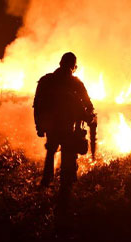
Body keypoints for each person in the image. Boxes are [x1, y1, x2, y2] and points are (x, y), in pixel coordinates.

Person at [33, 52, 95, 190]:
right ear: (74, 66)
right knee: (68, 154)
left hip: (51, 126)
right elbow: (88, 103)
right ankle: (66, 185)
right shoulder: (76, 83)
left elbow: (37, 105)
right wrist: (89, 116)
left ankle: (47, 182)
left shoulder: (46, 80)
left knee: (51, 151)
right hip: (69, 127)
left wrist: (39, 125)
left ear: (60, 63)